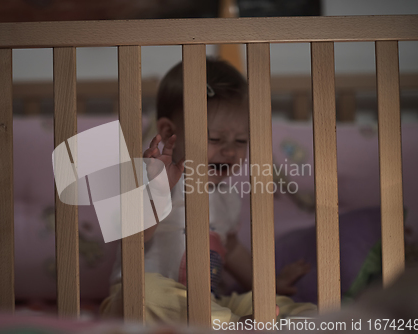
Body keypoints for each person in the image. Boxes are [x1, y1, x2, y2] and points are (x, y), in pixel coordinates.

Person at [100, 58, 316, 326]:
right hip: (146, 303)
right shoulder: (151, 178)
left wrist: (268, 287)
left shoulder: (228, 196)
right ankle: (234, 325)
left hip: (212, 303)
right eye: (214, 139)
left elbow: (232, 249)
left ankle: (266, 322)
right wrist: (156, 194)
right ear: (169, 132)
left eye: (241, 141)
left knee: (280, 307)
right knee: (146, 293)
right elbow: (133, 236)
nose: (229, 151)